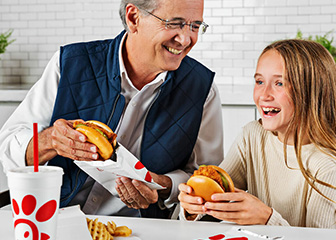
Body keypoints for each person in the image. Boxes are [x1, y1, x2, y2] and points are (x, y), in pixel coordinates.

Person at [0, 0, 224, 219]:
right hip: (53, 221)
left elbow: (206, 179)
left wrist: (164, 186)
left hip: (140, 231)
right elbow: (8, 146)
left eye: (195, 26)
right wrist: (50, 141)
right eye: (174, 23)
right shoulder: (69, 64)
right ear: (133, 17)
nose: (186, 39)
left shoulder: (202, 90)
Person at [178, 39, 336, 228]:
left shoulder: (327, 167)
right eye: (260, 81)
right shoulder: (252, 137)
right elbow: (215, 199)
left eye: (279, 83)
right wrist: (191, 207)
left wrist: (267, 219)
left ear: (312, 91)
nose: (264, 95)